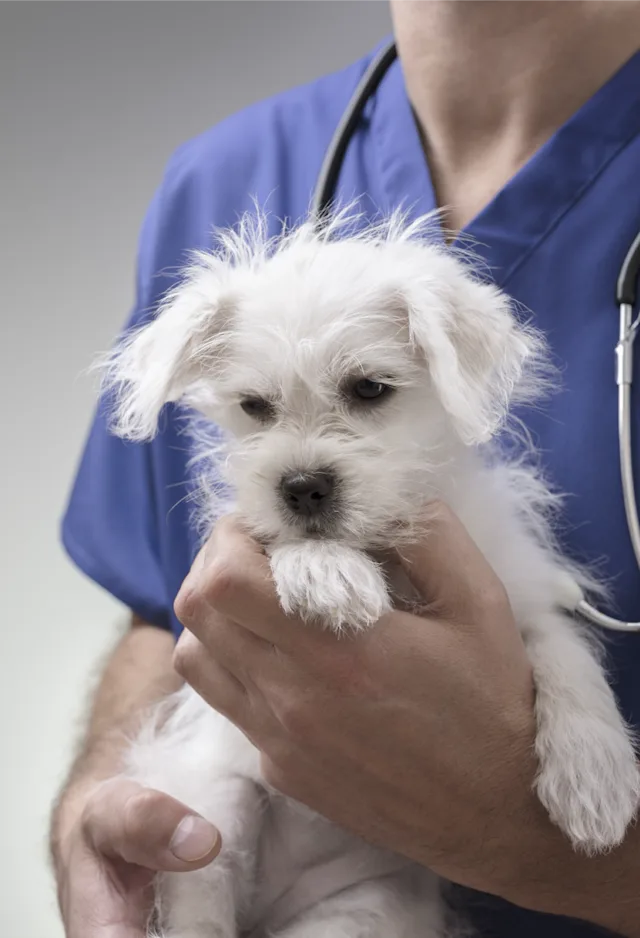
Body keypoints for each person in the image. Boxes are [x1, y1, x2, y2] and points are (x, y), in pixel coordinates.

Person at [51, 1, 640, 936]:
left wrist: (530, 845)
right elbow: (162, 618)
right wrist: (101, 821)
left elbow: (535, 619)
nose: (306, 469)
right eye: (257, 409)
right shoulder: (223, 180)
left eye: (367, 391)